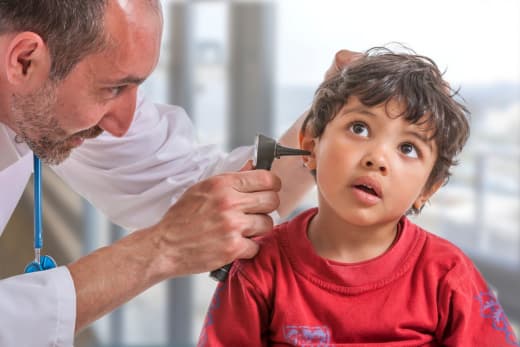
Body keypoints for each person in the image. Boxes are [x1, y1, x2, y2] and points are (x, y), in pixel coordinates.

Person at [0, 0, 359, 345]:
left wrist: (325, 123)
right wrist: (159, 248)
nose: (123, 123)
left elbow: (200, 192)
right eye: (113, 88)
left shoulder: (50, 92)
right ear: (23, 60)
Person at [197, 46, 520, 347]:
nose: (377, 158)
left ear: (427, 190)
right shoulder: (259, 269)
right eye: (359, 128)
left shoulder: (449, 276)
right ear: (310, 147)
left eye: (408, 148)